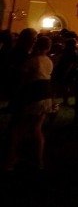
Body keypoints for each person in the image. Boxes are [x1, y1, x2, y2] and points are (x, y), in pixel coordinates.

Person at [4, 34, 52, 170]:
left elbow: (22, 81)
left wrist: (16, 95)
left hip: (33, 95)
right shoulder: (48, 61)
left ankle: (10, 160)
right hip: (45, 95)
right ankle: (39, 160)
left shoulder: (31, 61)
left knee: (17, 128)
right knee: (37, 129)